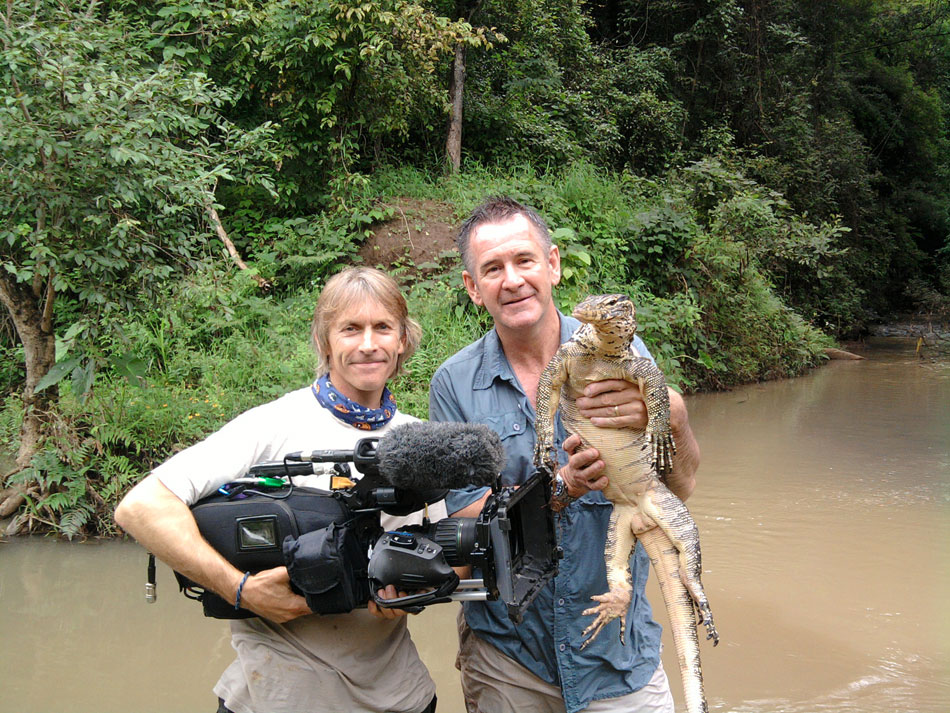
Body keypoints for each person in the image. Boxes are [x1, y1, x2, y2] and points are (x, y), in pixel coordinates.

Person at [116, 267, 445, 713]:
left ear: (402, 340)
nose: (368, 344)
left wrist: (414, 589)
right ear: (324, 341)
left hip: (399, 697)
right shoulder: (273, 425)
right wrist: (240, 589)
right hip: (273, 698)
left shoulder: (418, 441)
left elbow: (447, 552)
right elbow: (140, 508)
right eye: (350, 329)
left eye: (382, 327)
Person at [429, 197, 701, 713]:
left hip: (617, 654)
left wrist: (676, 417)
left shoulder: (621, 349)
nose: (512, 280)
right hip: (509, 660)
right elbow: (462, 520)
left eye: (524, 261)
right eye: (492, 268)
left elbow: (678, 489)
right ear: (472, 287)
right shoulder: (455, 384)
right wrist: (559, 488)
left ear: (552, 264)